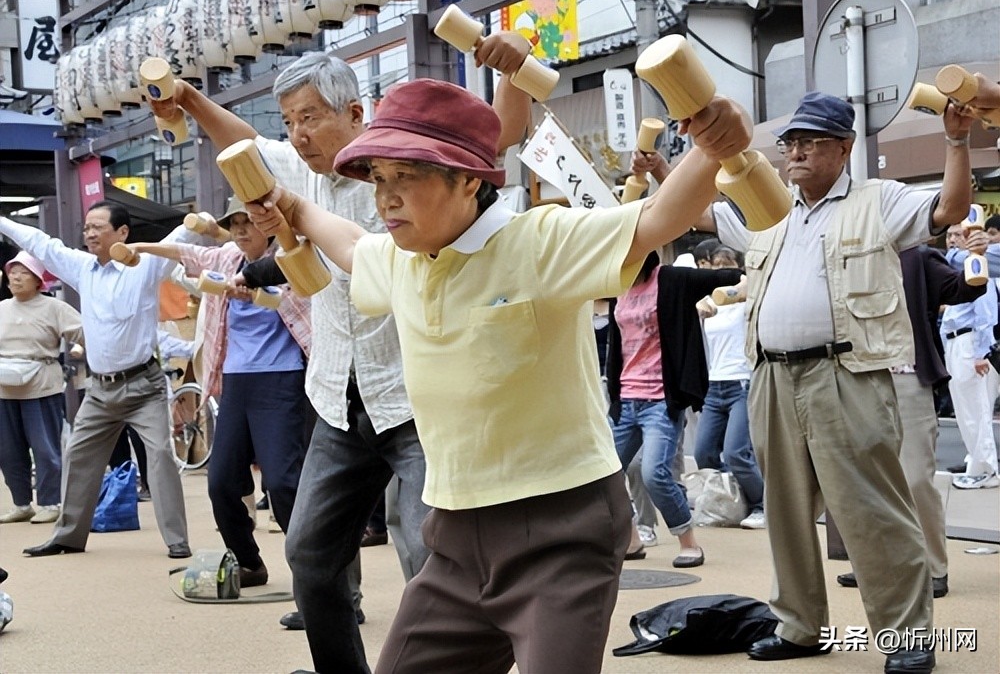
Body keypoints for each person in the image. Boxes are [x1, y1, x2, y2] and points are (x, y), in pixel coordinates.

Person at [245, 77, 752, 673]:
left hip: (561, 531)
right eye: (379, 178)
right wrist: (296, 206)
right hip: (455, 540)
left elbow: (655, 221)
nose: (386, 198)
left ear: (467, 180)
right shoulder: (401, 260)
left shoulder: (539, 240)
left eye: (406, 176)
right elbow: (354, 245)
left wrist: (714, 143)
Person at [148, 36, 533, 670]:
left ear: (357, 113)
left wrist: (515, 70)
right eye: (291, 121)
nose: (298, 135)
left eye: (311, 117)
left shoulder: (402, 167)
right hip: (336, 396)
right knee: (309, 554)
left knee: (429, 556)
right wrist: (188, 98)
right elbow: (242, 142)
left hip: (416, 397)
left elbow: (492, 140)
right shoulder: (295, 174)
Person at [688, 90, 975, 674]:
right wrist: (667, 166)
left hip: (845, 371)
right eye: (791, 142)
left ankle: (907, 637)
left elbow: (949, 207)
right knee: (786, 511)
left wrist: (955, 140)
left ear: (843, 148)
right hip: (770, 374)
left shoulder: (877, 200)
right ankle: (799, 626)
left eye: (810, 142)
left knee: (872, 510)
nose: (794, 153)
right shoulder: (767, 205)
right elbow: (698, 214)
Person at [117, 196, 312, 586]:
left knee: (283, 483)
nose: (240, 231)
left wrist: (257, 290)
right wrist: (140, 247)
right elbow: (186, 250)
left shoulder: (292, 256)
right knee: (221, 481)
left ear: (269, 224)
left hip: (282, 378)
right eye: (234, 223)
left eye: (249, 222)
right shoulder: (226, 258)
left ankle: (314, 575)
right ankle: (250, 563)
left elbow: (297, 296)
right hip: (235, 382)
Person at [0, 201, 195, 559]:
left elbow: (181, 238)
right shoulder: (81, 267)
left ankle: (177, 541)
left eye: (98, 227)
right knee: (77, 454)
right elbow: (40, 242)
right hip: (100, 389)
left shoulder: (147, 266)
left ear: (122, 233)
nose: (89, 234)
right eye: (87, 227)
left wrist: (201, 224)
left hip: (144, 386)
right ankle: (68, 537)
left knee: (161, 456)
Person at [836, 242, 987, 599]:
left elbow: (962, 288)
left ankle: (935, 566)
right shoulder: (846, 255)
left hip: (907, 376)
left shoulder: (915, 256)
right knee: (865, 481)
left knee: (917, 477)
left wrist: (974, 254)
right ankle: (874, 565)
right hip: (858, 378)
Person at [605, 250, 741, 567]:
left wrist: (745, 282)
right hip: (626, 399)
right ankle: (632, 538)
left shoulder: (669, 279)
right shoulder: (618, 288)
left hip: (660, 400)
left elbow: (724, 277)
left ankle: (689, 542)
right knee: (603, 474)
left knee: (655, 474)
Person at [0, 252, 82, 525]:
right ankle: (21, 503)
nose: (15, 276)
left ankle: (50, 501)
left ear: (38, 280)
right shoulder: (1, 308)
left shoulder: (53, 308)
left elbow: (83, 331)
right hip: (4, 388)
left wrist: (86, 349)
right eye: (12, 271)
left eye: (23, 272)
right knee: (8, 450)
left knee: (45, 448)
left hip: (41, 385)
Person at [693, 247, 765, 530]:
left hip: (741, 382)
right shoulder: (710, 301)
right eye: (716, 265)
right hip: (714, 385)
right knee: (704, 453)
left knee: (736, 452)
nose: (720, 269)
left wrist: (740, 282)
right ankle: (737, 496)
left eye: (727, 265)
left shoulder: (746, 302)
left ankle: (761, 505)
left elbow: (751, 284)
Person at [939, 225, 1000, 490]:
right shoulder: (957, 267)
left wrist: (980, 352)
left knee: (976, 408)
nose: (953, 240)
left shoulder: (977, 265)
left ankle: (985, 468)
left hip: (969, 341)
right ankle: (977, 462)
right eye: (950, 235)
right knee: (966, 409)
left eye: (959, 235)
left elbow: (986, 312)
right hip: (955, 341)